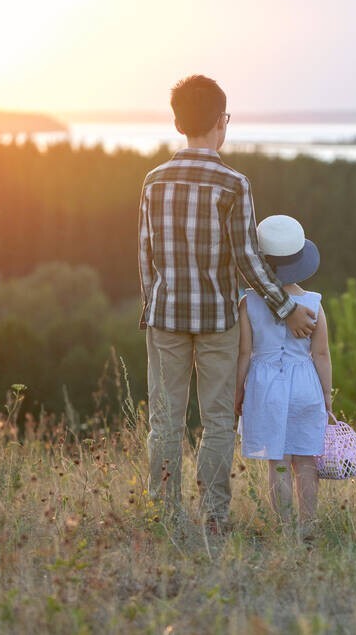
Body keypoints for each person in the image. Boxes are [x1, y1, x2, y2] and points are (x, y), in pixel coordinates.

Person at [138, 75, 317, 537]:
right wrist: (286, 309)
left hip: (165, 318)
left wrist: (151, 309)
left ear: (177, 122)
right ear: (223, 122)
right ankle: (214, 519)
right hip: (217, 320)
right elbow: (248, 260)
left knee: (165, 422)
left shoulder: (153, 181)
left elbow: (146, 257)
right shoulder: (233, 183)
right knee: (217, 421)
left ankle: (164, 516)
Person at [235, 215, 332, 537]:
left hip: (265, 387)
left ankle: (285, 528)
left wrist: (238, 393)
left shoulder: (248, 303)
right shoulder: (314, 303)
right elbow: (320, 354)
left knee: (277, 464)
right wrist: (327, 397)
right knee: (306, 463)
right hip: (305, 384)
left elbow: (245, 353)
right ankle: (309, 526)